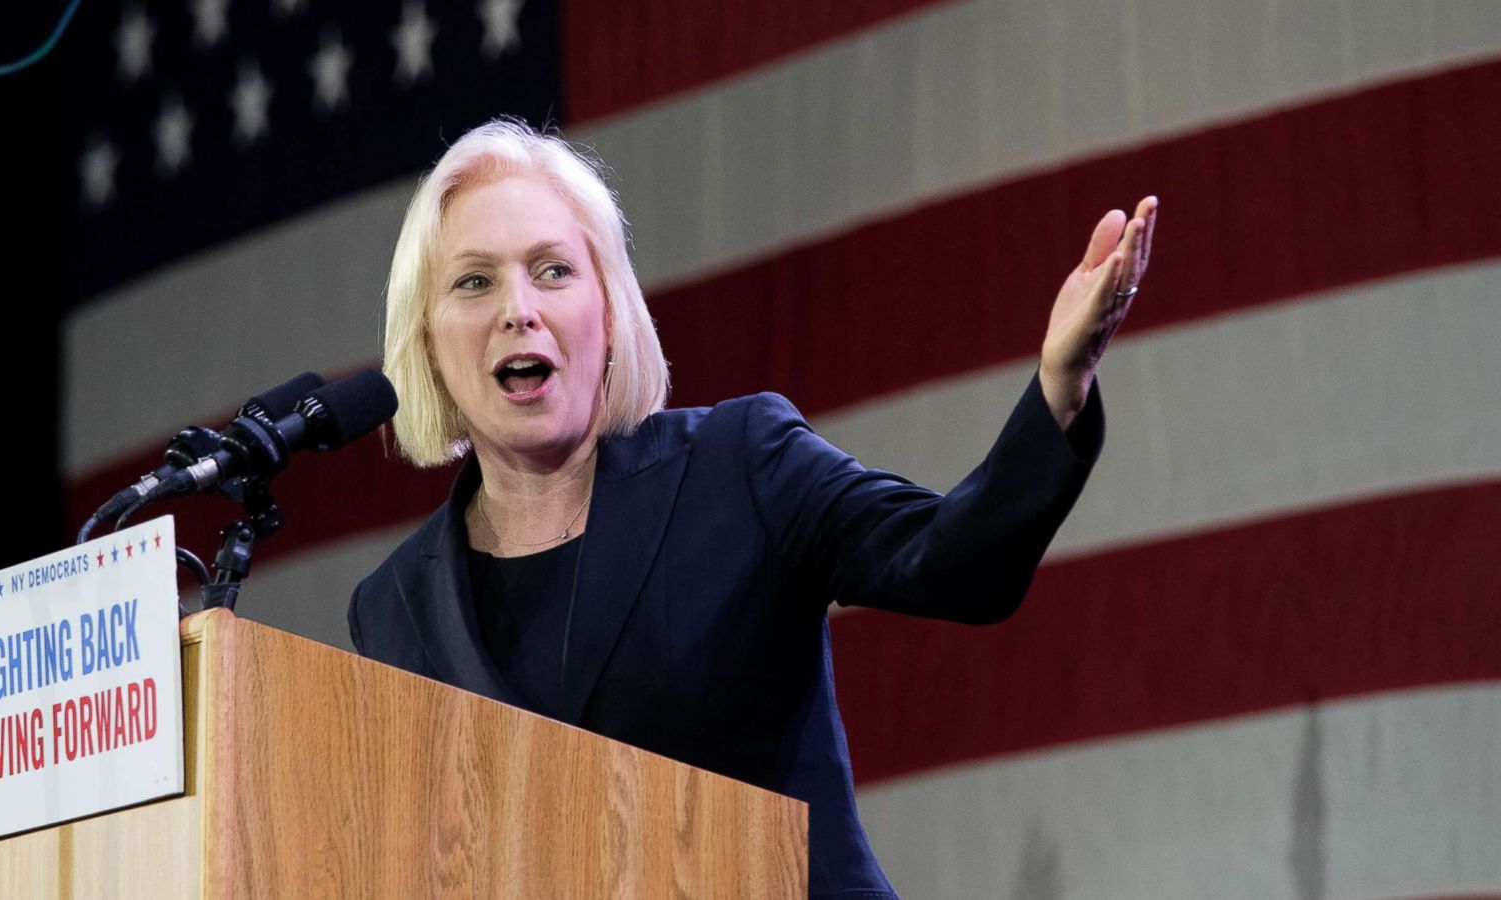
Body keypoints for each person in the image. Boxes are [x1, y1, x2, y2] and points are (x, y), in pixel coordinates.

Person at [349, 118, 1157, 898]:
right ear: (425, 339)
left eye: (553, 271)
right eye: (474, 281)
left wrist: (1060, 385)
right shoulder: (394, 609)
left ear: (608, 311)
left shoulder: (739, 466)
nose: (517, 309)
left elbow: (952, 559)